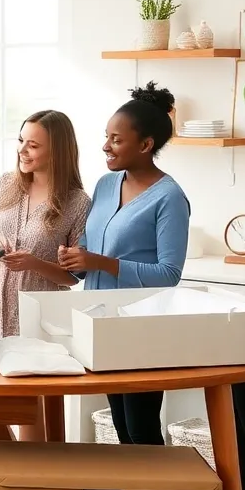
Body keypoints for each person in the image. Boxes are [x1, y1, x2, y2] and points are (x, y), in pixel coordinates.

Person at [58, 82, 190, 446]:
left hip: (141, 329)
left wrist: (101, 261)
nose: (105, 146)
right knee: (119, 424)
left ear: (145, 145)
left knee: (141, 428)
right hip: (99, 324)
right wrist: (76, 258)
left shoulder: (170, 198)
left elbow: (169, 274)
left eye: (116, 139)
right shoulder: (105, 184)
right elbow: (88, 248)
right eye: (106, 137)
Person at [0, 109, 90, 441]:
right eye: (21, 141)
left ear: (58, 150)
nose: (22, 150)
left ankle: (35, 484)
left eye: (33, 145)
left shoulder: (77, 203)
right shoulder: (6, 184)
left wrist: (34, 263)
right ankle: (0, 481)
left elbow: (73, 277)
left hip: (38, 319)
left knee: (30, 412)